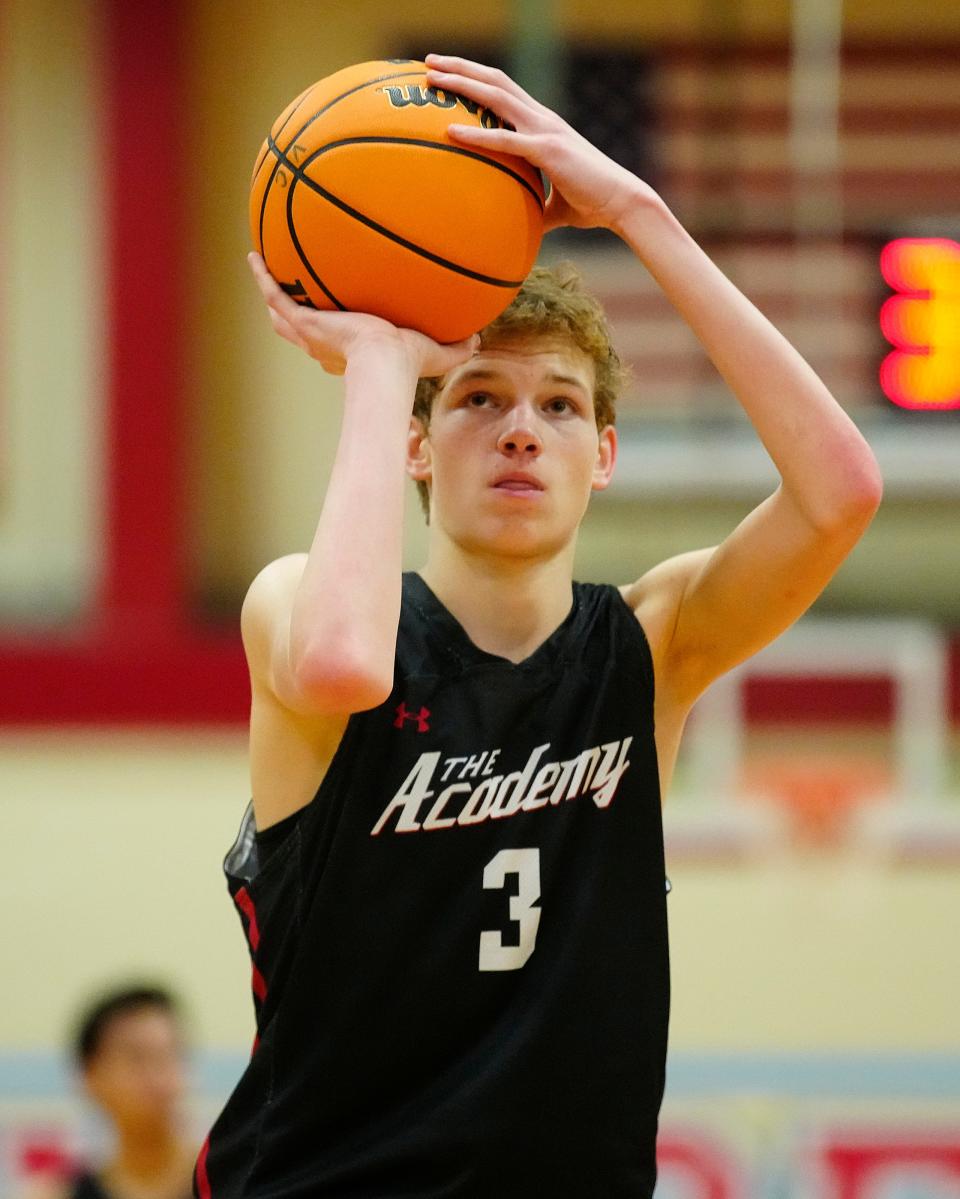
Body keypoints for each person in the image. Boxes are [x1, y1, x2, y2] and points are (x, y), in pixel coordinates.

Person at [196, 55, 882, 1199]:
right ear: (416, 444)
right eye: (477, 399)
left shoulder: (650, 644)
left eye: (559, 405)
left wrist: (637, 210)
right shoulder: (299, 600)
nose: (522, 430)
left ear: (604, 454)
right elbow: (344, 662)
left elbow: (842, 491)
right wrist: (380, 359)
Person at [27, 985, 196, 1199]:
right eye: (138, 1058)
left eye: (170, 1055)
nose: (159, 1078)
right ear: (90, 1075)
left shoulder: (232, 1181)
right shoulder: (56, 1193)